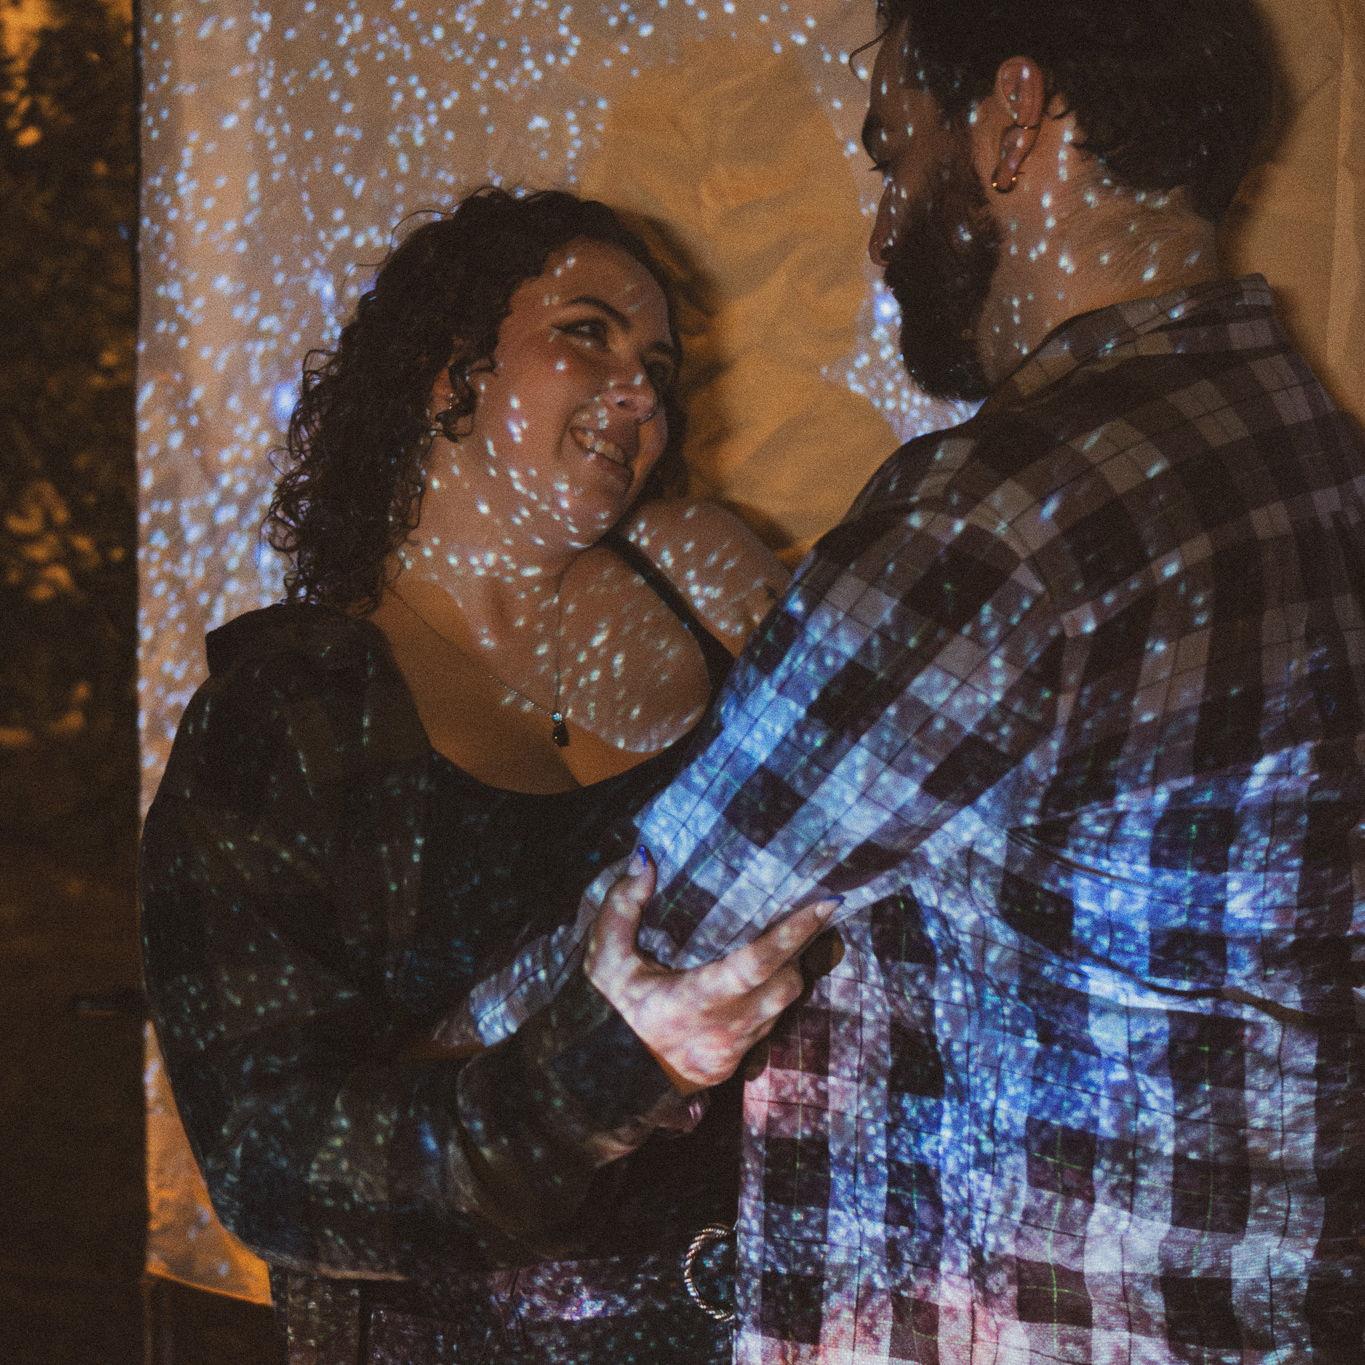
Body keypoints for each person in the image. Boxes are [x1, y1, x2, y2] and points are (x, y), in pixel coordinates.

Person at [463, 2, 1365, 1359]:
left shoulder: (1005, 518)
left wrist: (378, 1118)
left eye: (896, 155)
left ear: (1012, 117)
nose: (886, 230)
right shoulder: (1306, 449)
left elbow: (664, 921)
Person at [139, 188, 837, 1363]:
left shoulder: (710, 591)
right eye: (587, 334)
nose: (639, 395)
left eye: (659, 370)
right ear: (442, 370)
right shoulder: (284, 717)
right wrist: (603, 1073)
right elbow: (272, 1165)